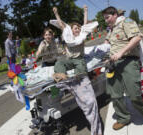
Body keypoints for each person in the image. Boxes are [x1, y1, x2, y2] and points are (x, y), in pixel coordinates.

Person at [53, 6, 102, 135]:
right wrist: (57, 13)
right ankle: (61, 78)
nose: (77, 30)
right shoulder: (68, 35)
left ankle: (76, 80)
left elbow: (85, 25)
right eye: (75, 28)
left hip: (79, 59)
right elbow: (62, 25)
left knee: (80, 70)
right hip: (68, 60)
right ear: (71, 30)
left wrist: (86, 11)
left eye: (78, 28)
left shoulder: (81, 36)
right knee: (59, 63)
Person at [102, 6, 143, 130]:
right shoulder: (111, 30)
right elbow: (106, 44)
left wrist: (120, 53)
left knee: (134, 93)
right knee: (115, 94)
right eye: (104, 19)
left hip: (128, 61)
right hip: (112, 65)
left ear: (115, 15)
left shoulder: (127, 22)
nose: (106, 21)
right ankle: (123, 118)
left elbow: (136, 38)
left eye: (107, 17)